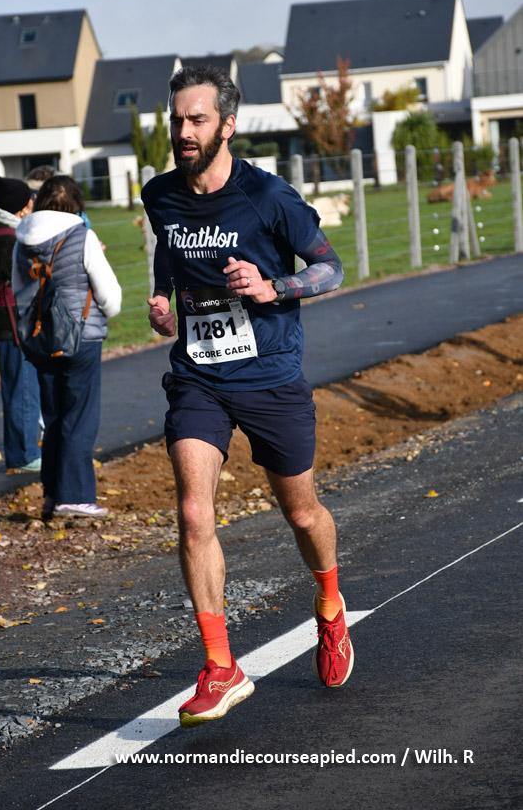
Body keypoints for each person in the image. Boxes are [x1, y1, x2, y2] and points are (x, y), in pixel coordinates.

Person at [141, 65, 352, 729]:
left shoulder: (267, 196)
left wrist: (273, 288)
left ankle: (329, 605)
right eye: (176, 119)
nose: (183, 131)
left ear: (227, 126)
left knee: (302, 515)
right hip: (198, 375)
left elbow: (331, 268)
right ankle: (219, 665)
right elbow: (169, 252)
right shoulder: (159, 195)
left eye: (197, 119)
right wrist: (162, 300)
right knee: (192, 510)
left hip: (270, 376)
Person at [12, 175, 122, 519]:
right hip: (80, 338)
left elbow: (17, 290)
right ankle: (74, 497)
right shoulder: (82, 235)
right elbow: (111, 297)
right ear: (76, 204)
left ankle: (52, 494)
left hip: (41, 340)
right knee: (80, 416)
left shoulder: (21, 240)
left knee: (54, 417)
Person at [0, 177, 42, 473]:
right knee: (22, 387)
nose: (33, 203)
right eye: (29, 199)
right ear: (21, 207)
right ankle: (24, 456)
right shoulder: (10, 239)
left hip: (1, 321)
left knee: (18, 385)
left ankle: (22, 452)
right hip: (12, 322)